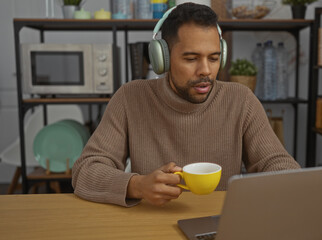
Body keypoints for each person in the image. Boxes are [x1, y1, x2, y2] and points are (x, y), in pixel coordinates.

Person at [72, 3, 300, 207]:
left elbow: (275, 162)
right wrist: (137, 185)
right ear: (163, 59)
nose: (206, 71)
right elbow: (85, 171)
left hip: (218, 225)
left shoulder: (240, 100)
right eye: (191, 59)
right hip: (151, 224)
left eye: (214, 58)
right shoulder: (130, 98)